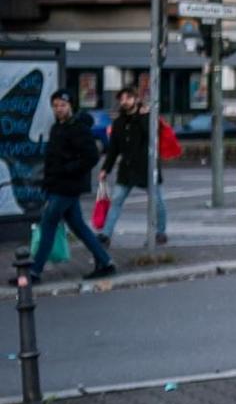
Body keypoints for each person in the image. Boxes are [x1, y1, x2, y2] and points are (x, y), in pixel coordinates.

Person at [29, 90, 116, 284]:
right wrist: (48, 183)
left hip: (68, 186)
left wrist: (69, 169)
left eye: (63, 105)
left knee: (48, 224)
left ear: (71, 106)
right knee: (79, 227)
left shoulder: (78, 128)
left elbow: (92, 156)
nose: (59, 109)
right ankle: (106, 262)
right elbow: (53, 160)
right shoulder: (57, 127)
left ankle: (34, 272)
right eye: (56, 105)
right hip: (58, 185)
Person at [99, 88, 167, 245]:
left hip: (147, 167)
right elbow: (113, 149)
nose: (124, 101)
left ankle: (160, 233)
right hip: (127, 168)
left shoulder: (147, 117)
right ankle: (106, 235)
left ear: (136, 99)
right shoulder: (118, 122)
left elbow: (152, 136)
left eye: (128, 98)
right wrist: (105, 169)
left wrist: (144, 116)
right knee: (116, 200)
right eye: (121, 99)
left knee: (158, 202)